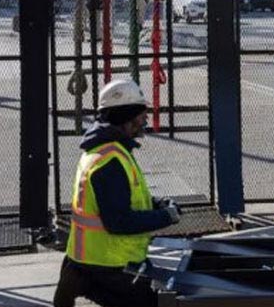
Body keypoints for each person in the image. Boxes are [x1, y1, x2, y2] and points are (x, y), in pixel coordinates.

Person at [53, 79, 181, 307]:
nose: (145, 120)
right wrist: (166, 217)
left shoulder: (108, 151)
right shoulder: (109, 161)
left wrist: (156, 204)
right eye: (142, 114)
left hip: (95, 262)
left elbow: (123, 197)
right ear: (127, 117)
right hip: (111, 267)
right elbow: (118, 221)